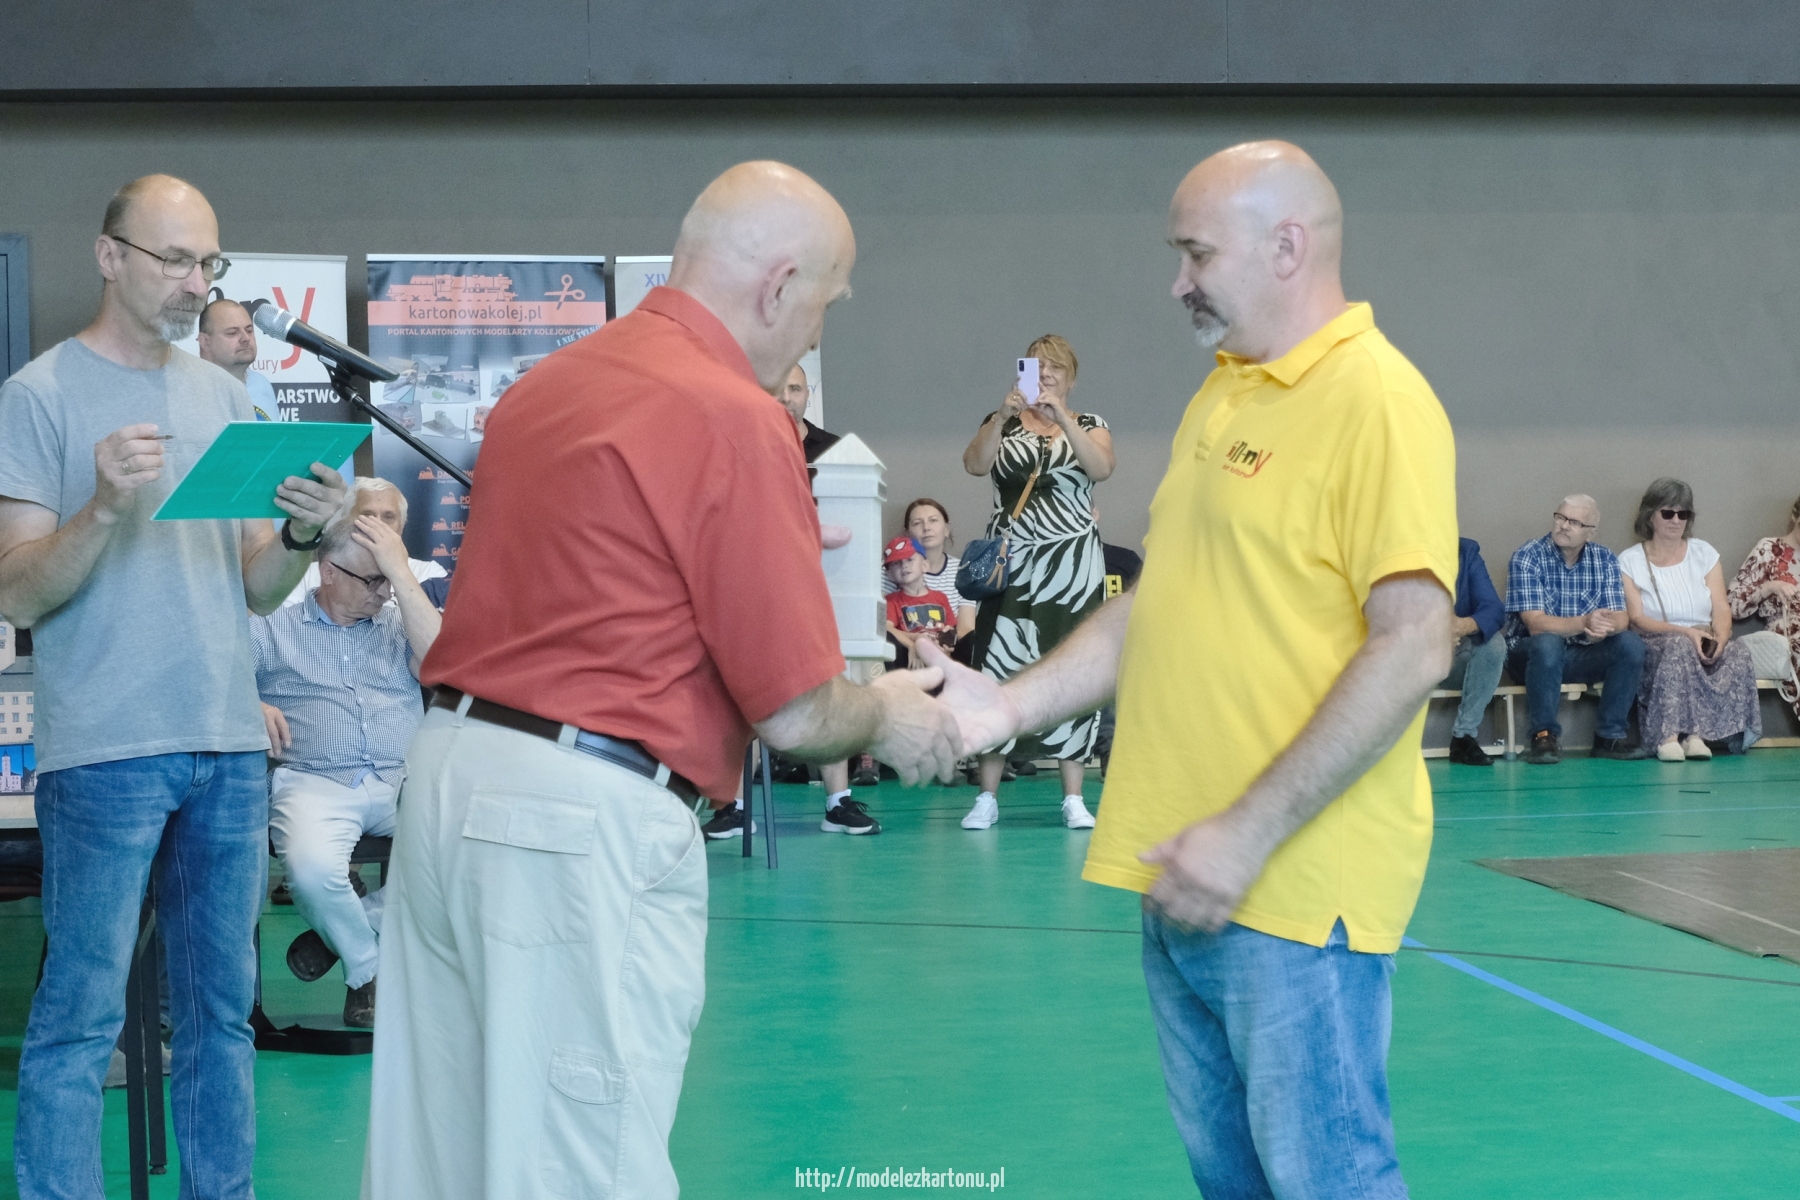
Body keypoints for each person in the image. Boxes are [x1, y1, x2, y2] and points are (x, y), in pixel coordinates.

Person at [364, 161, 961, 1200]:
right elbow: (797, 712)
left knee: (439, 1155)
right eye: (824, 304)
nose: (814, 333)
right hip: (579, 822)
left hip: (451, 781)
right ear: (779, 286)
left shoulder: (548, 388)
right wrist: (892, 715)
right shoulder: (732, 413)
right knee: (580, 1162)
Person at [918, 140, 1456, 1200]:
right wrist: (1003, 707)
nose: (1177, 282)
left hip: (1289, 889)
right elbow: (1152, 607)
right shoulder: (1227, 395)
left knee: (1330, 1180)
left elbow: (1415, 643)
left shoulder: (1377, 401)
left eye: (1196, 254)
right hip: (1181, 875)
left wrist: (1245, 832)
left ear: (1287, 246)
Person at [0, 173, 347, 1200]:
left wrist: (301, 533)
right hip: (105, 752)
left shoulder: (222, 395)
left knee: (221, 1018)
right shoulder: (39, 396)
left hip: (227, 749)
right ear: (110, 257)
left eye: (210, 263)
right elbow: (17, 587)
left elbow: (256, 585)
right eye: (178, 261)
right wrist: (104, 507)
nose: (199, 284)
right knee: (80, 1021)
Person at [253, 509, 442, 1027]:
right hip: (314, 780)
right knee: (311, 870)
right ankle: (367, 970)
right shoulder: (273, 627)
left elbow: (441, 665)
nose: (384, 591)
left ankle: (340, 934)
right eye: (372, 579)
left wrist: (401, 572)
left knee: (473, 850)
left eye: (389, 578)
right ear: (328, 571)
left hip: (403, 779)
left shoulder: (401, 622)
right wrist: (250, 704)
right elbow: (216, 676)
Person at [959, 333, 1114, 831]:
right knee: (998, 669)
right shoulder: (1001, 421)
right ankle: (986, 797)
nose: (1045, 375)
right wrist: (1002, 416)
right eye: (1036, 367)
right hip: (1012, 565)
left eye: (1055, 368)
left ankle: (1073, 798)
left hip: (1072, 568)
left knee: (1073, 671)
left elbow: (1102, 469)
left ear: (1071, 377)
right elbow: (974, 465)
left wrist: (1062, 418)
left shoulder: (1089, 424)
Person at [1618, 479, 1759, 760]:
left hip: (1703, 633)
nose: (1676, 520)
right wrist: (1685, 633)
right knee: (1679, 646)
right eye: (1668, 513)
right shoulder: (1629, 560)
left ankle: (1698, 736)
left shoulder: (1704, 553)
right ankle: (1668, 737)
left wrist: (1720, 638)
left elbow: (1721, 607)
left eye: (1683, 514)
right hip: (1656, 640)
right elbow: (1636, 618)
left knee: (1737, 652)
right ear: (1650, 515)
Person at [1504, 495, 1647, 764]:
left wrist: (1603, 627)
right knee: (1548, 643)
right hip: (1530, 656)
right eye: (1560, 517)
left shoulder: (1604, 559)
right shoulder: (1528, 556)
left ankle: (1609, 737)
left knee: (1630, 643)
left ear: (1590, 533)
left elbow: (1621, 617)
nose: (1564, 525)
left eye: (1574, 522)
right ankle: (1543, 736)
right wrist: (1584, 622)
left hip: (1582, 652)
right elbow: (1535, 624)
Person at [280, 477, 448, 608]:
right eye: (367, 515)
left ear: (401, 527)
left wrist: (398, 572)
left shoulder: (428, 573)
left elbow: (433, 635)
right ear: (344, 522)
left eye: (388, 517)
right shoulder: (305, 576)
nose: (378, 524)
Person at [1728, 494, 1800, 710]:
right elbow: (1732, 604)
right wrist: (1769, 587)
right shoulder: (1768, 549)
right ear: (1795, 516)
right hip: (1787, 630)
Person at [1440, 537, 1508, 765]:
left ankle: (1463, 736)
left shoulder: (1466, 552)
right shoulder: (1398, 551)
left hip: (1452, 659)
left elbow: (1494, 609)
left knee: (1494, 644)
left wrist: (1462, 626)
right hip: (1407, 661)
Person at [882, 498, 976, 641]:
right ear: (907, 534)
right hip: (904, 644)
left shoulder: (963, 571)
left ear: (946, 529)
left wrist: (944, 645)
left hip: (948, 645)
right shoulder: (893, 568)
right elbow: (880, 624)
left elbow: (965, 629)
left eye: (933, 520)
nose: (926, 528)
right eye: (917, 523)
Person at [194, 296, 277, 420]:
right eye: (232, 333)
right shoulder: (189, 389)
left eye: (249, 330)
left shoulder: (262, 384)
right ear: (205, 342)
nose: (245, 338)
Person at [883, 535, 958, 665]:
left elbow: (951, 628)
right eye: (896, 563)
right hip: (911, 662)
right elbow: (887, 629)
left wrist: (947, 644)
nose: (903, 566)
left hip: (939, 657)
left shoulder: (940, 597)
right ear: (890, 574)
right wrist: (913, 644)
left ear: (925, 565)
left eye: (909, 560)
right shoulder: (892, 600)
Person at [777, 360, 839, 463]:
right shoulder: (750, 447)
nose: (786, 398)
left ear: (807, 395)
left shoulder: (834, 448)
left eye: (795, 389)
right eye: (777, 389)